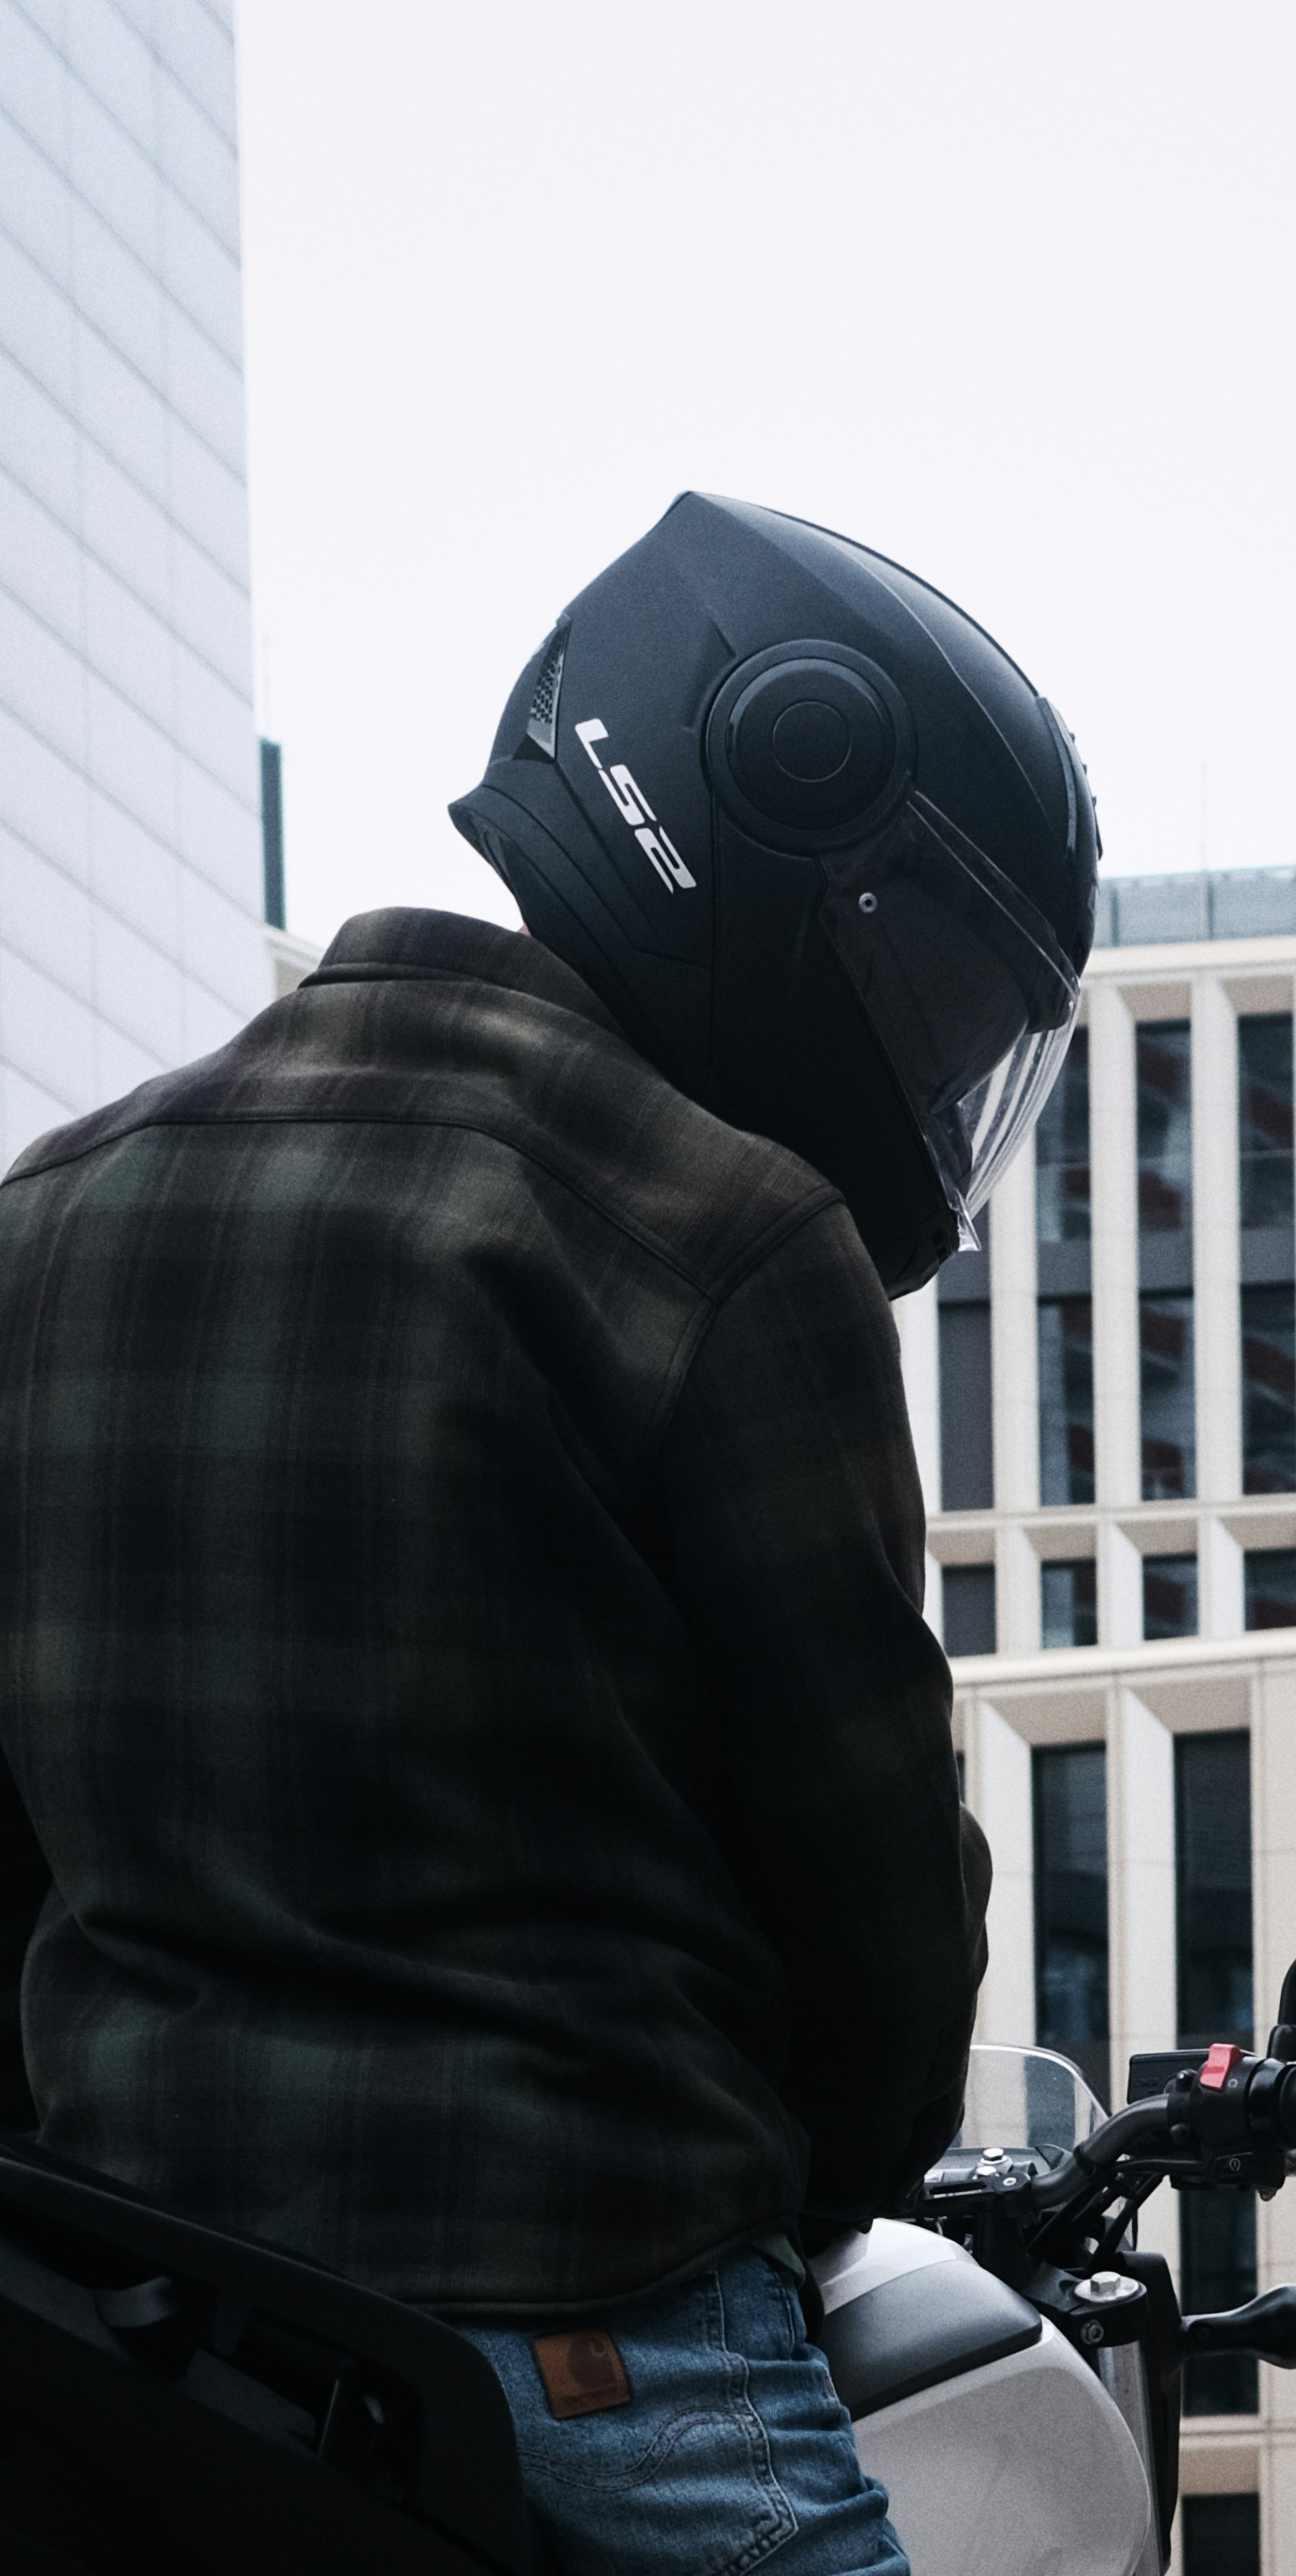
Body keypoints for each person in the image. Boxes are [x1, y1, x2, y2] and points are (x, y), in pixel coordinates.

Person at [0, 494, 1099, 2574]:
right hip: (595, 2352)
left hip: (147, 2359)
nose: (930, 1054)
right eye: (933, 986)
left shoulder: (46, 1219)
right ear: (780, 829)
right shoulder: (719, 1234)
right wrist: (783, 2196)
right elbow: (867, 1903)